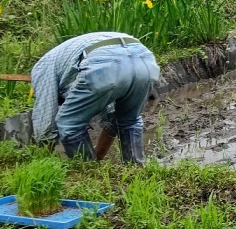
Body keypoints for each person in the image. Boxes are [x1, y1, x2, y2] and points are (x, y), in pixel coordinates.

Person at [30, 32, 160, 163]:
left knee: (68, 124)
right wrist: (98, 156)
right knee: (129, 121)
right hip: (144, 60)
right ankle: (135, 171)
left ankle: (89, 173)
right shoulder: (64, 64)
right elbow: (112, 118)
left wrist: (41, 163)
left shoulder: (41, 70)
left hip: (104, 62)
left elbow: (45, 125)